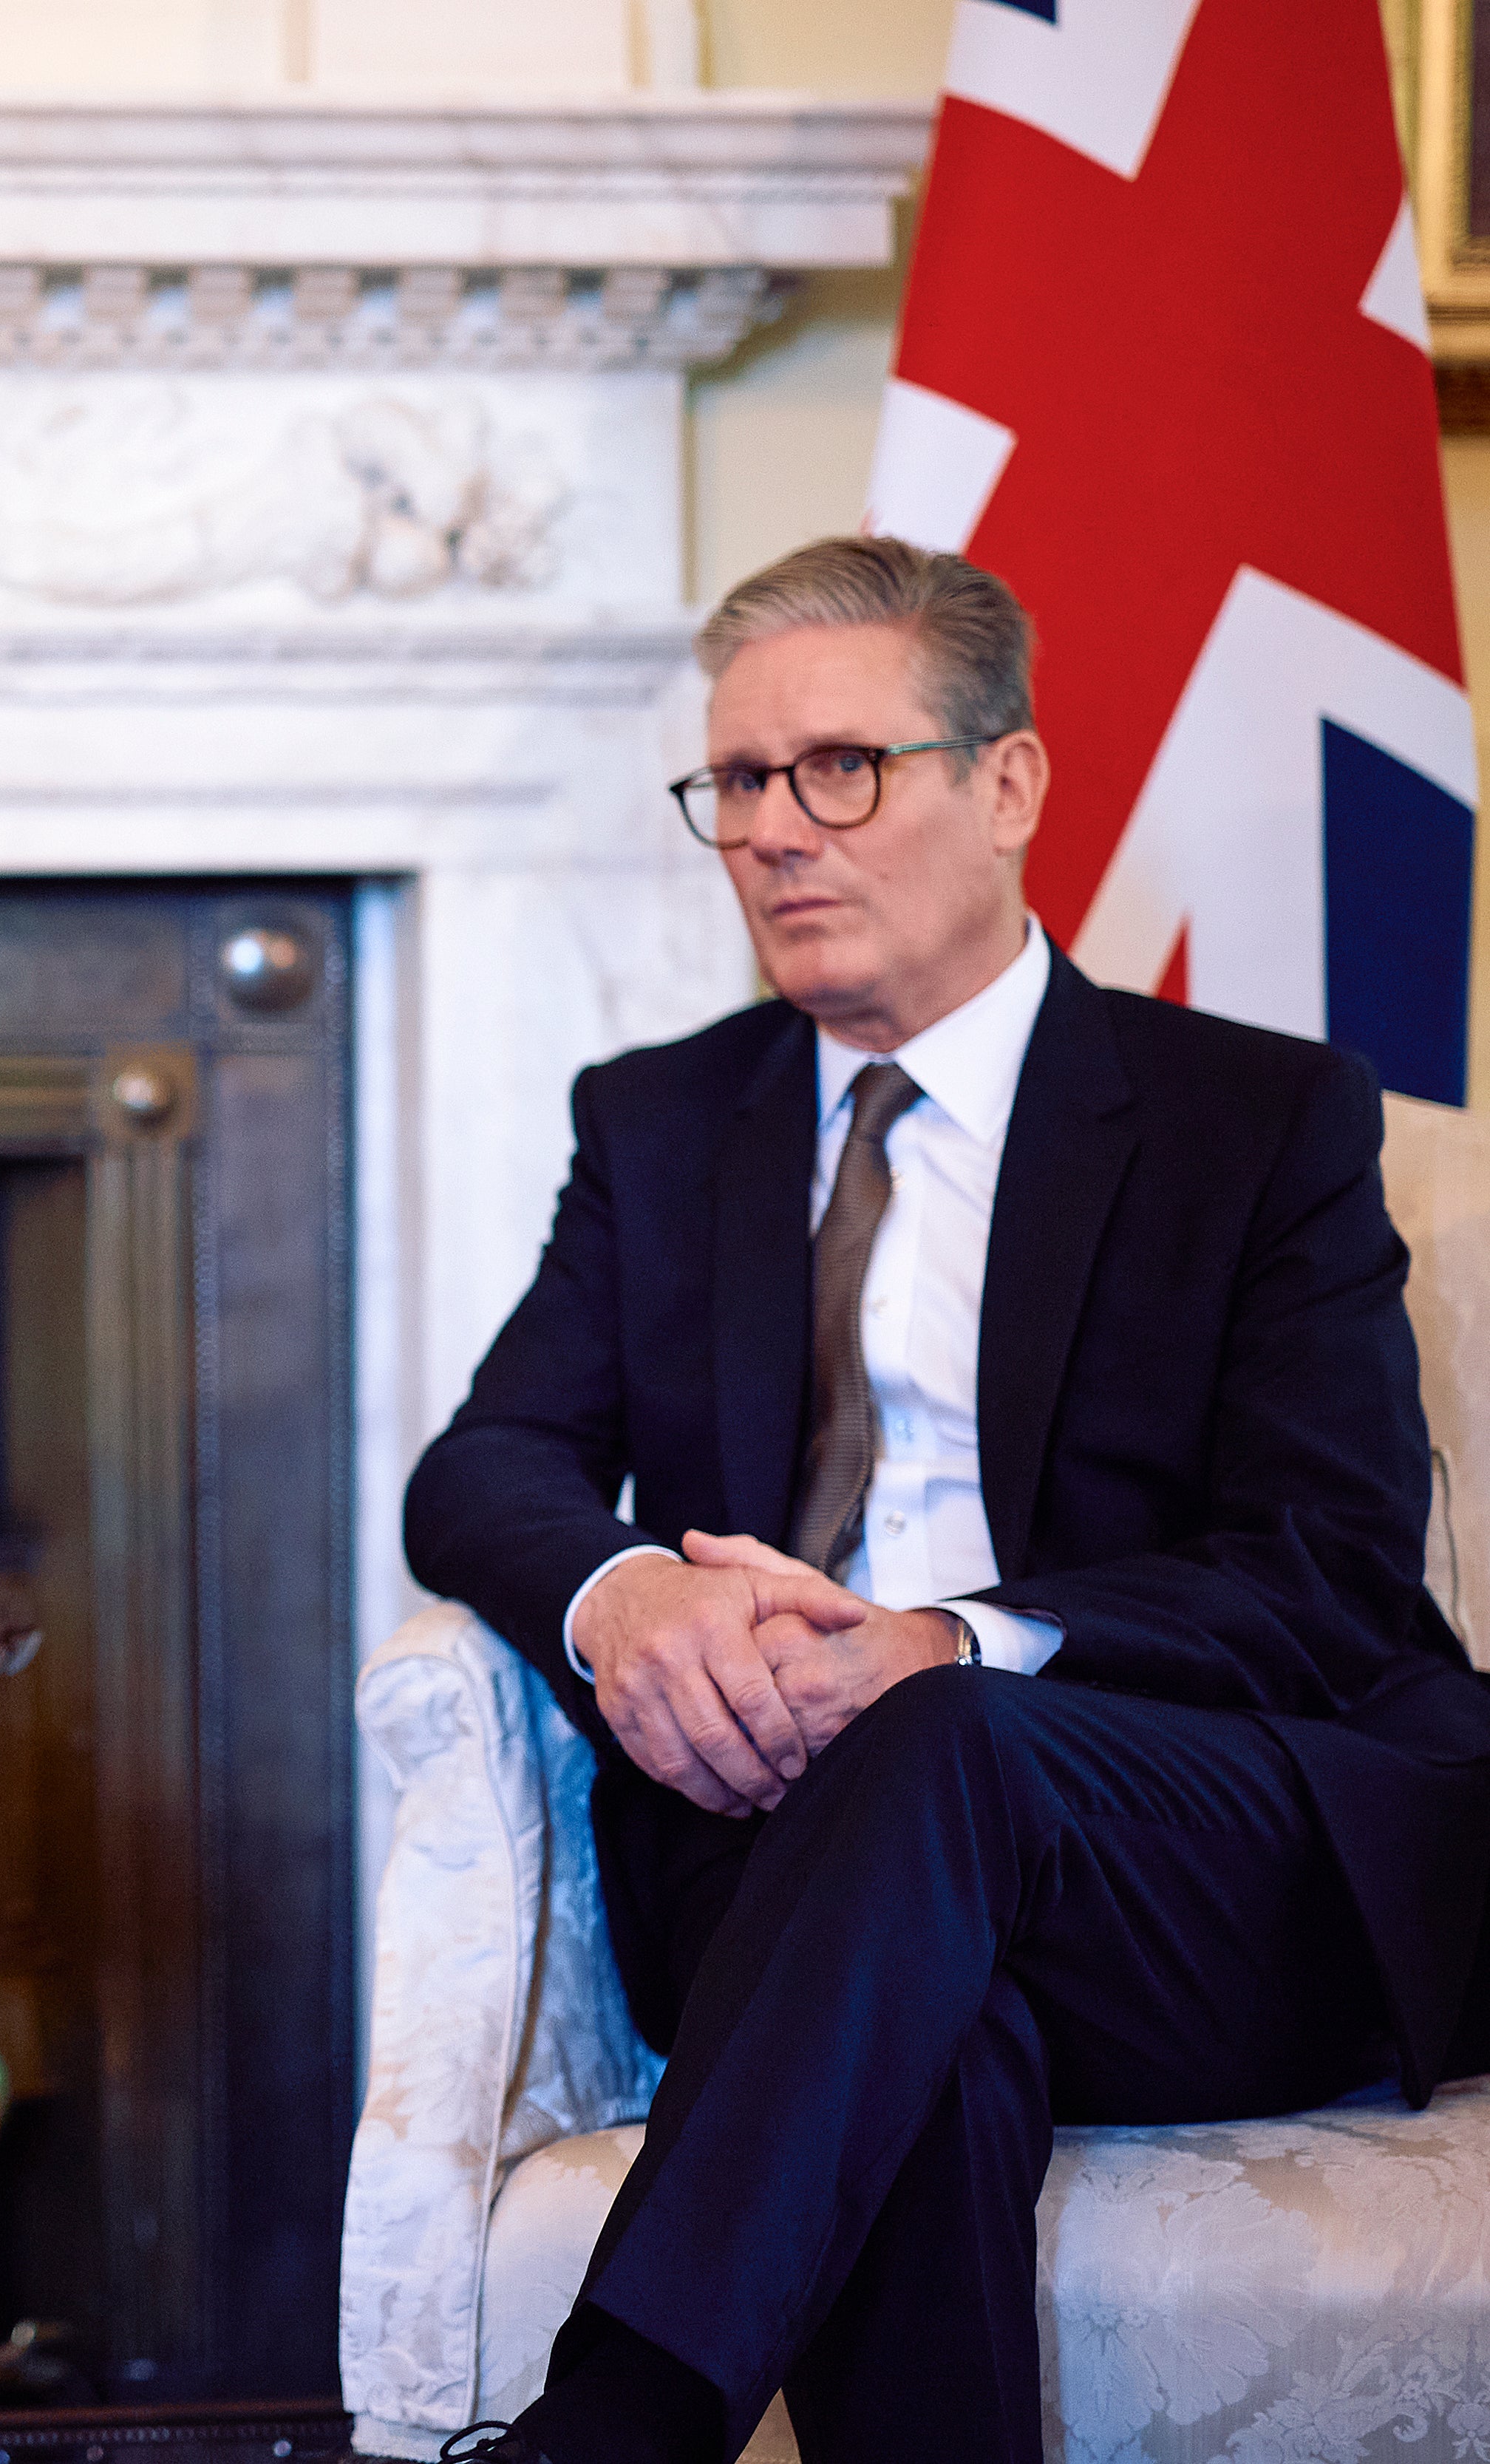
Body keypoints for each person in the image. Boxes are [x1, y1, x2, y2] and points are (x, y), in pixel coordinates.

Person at [401, 535, 1490, 2464]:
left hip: (1208, 1853)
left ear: (1009, 785)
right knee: (927, 2034)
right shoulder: (662, 1123)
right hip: (809, 1870)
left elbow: (1328, 1572)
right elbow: (484, 1467)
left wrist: (940, 1646)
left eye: (842, 767)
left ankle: (614, 2418)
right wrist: (627, 1588)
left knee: (946, 1738)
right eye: (737, 781)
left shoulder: (1260, 1119)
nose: (772, 832)